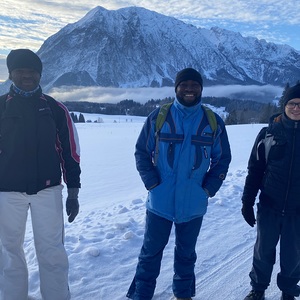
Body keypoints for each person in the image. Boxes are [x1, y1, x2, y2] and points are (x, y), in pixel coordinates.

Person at [126, 68, 231, 300]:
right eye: (184, 85)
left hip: (193, 203)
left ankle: (183, 294)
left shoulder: (212, 122)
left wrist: (208, 188)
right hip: (160, 201)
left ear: (201, 89)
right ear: (176, 88)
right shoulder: (159, 116)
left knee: (186, 254)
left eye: (195, 85)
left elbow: (222, 159)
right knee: (150, 253)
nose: (189, 89)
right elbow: (142, 152)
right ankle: (141, 295)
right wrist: (153, 183)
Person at [0, 49, 81, 300]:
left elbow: (71, 152)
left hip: (48, 190)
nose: (27, 75)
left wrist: (73, 191)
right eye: (21, 70)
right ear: (11, 74)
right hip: (6, 192)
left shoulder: (55, 109)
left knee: (52, 252)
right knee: (8, 253)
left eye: (32, 71)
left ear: (40, 75)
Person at [241, 83, 300, 300]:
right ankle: (258, 289)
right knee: (263, 252)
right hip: (269, 206)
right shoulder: (268, 134)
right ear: (284, 105)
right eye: (292, 103)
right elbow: (255, 170)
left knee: (293, 255)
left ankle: (288, 292)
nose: (296, 108)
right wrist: (247, 202)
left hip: (297, 211)